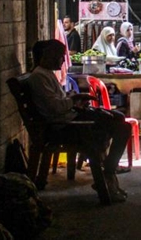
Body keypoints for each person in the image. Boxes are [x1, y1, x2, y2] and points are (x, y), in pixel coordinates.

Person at [25, 40, 132, 201]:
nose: (62, 61)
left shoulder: (45, 74)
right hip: (65, 127)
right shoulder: (39, 77)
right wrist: (74, 99)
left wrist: (75, 99)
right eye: (59, 57)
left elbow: (58, 102)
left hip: (69, 118)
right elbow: (55, 107)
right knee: (122, 127)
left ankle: (109, 171)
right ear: (47, 57)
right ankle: (108, 173)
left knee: (119, 118)